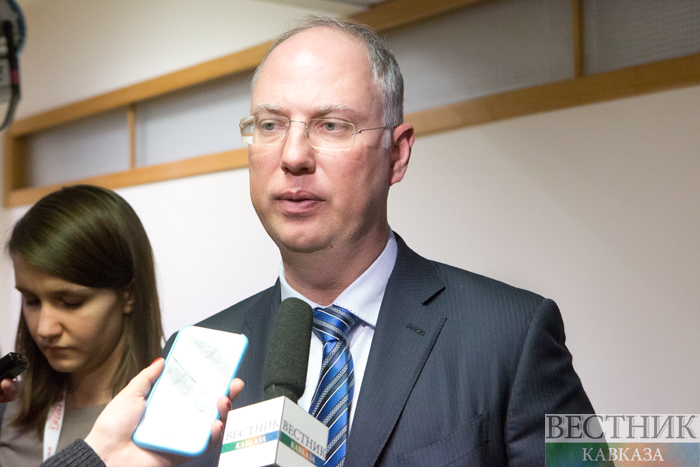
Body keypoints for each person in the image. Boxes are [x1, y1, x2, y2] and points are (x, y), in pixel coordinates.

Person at [172, 14, 597, 467]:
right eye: (271, 125)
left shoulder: (513, 335)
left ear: (397, 154)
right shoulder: (195, 358)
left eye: (331, 125)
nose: (293, 156)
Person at [0, 185, 164, 466]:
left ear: (128, 294)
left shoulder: (172, 415)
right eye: (32, 301)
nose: (45, 329)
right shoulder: (9, 408)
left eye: (71, 302)